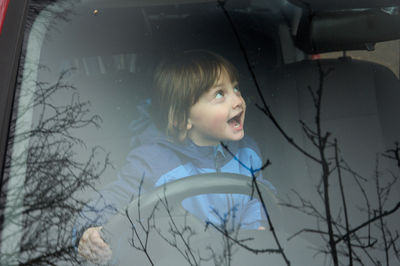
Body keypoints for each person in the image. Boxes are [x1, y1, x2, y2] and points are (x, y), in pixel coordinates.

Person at [74, 50, 274, 263]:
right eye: (219, 94)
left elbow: (259, 199)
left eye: (235, 88)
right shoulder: (153, 162)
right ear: (181, 118)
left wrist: (259, 228)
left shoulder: (248, 151)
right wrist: (88, 231)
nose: (238, 101)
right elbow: (112, 200)